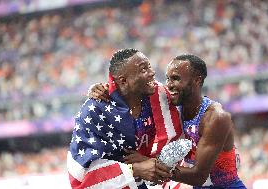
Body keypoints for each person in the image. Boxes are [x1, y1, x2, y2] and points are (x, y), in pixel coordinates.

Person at [89, 54, 246, 188]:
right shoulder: (171, 105)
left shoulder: (216, 117)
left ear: (197, 81)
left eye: (176, 79)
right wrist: (104, 89)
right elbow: (133, 90)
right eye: (168, 78)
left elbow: (199, 176)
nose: (169, 85)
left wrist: (147, 162)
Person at [67, 48, 182, 189]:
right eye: (143, 69)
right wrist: (135, 169)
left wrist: (147, 161)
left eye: (149, 66)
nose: (152, 73)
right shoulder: (95, 110)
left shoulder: (157, 96)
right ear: (123, 81)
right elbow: (83, 173)